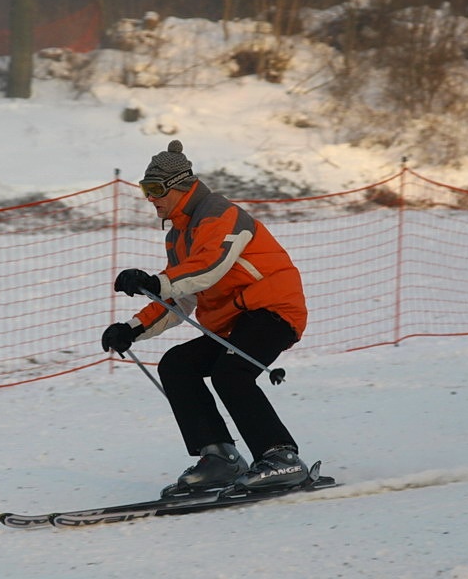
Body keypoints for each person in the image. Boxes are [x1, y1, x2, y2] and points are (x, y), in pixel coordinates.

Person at [101, 139, 313, 496]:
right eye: (144, 189)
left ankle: (280, 457)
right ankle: (219, 457)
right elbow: (181, 296)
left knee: (231, 373)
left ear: (180, 186)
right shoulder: (178, 235)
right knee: (176, 364)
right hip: (236, 320)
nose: (149, 198)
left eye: (154, 189)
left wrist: (155, 281)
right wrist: (131, 329)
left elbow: (209, 268)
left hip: (273, 309)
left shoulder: (219, 214)